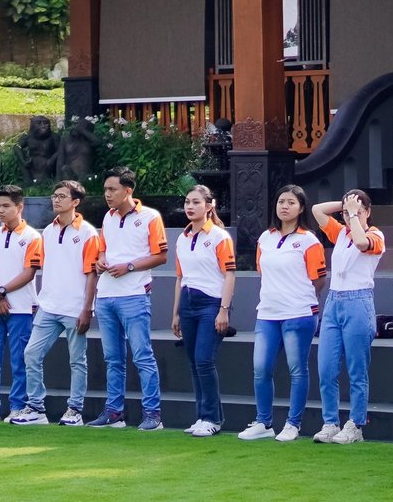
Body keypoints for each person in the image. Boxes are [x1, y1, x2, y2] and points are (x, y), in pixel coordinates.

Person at [242, 186, 326, 441]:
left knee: (297, 369)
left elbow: (318, 279)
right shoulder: (265, 238)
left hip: (298, 312)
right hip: (267, 312)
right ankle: (263, 422)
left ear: (301, 208)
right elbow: (261, 271)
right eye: (281, 202)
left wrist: (300, 298)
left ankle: (293, 423)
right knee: (260, 368)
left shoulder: (309, 240)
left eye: (291, 202)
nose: (284, 206)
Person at [89, 169, 167, 430]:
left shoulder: (150, 217)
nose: (107, 195)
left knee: (143, 356)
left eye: (112, 189)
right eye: (105, 190)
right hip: (107, 294)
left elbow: (161, 255)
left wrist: (129, 267)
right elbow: (103, 249)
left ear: (128, 190)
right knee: (113, 359)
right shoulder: (108, 218)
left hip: (134, 294)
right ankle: (114, 412)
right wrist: (101, 261)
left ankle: (153, 415)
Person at [313, 189, 385, 445]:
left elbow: (362, 243)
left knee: (357, 369)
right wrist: (346, 204)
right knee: (326, 368)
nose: (348, 216)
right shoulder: (341, 232)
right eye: (344, 213)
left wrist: (354, 213)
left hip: (359, 300)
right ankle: (330, 422)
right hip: (334, 301)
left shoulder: (375, 234)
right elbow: (317, 210)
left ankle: (356, 423)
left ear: (368, 212)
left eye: (356, 212)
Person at [29, 180, 100, 426]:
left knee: (77, 361)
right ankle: (36, 408)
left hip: (75, 308)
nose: (56, 199)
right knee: (31, 354)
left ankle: (75, 410)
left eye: (61, 196)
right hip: (48, 306)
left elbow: (92, 273)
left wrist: (87, 309)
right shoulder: (47, 231)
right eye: (54, 195)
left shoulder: (88, 233)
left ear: (75, 202)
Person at [0, 186, 44, 422]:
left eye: (6, 206)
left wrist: (1, 292)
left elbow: (29, 272)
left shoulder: (32, 236)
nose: (0, 211)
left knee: (19, 358)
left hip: (21, 308)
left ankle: (17, 406)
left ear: (19, 207)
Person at [173, 183, 234, 437]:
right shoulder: (182, 237)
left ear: (209, 207)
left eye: (196, 202)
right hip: (188, 302)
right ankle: (204, 416)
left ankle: (211, 418)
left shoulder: (219, 236)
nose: (190, 206)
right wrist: (176, 312)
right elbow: (180, 277)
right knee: (193, 363)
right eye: (188, 202)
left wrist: (224, 309)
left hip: (211, 303)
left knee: (204, 360)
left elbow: (229, 274)